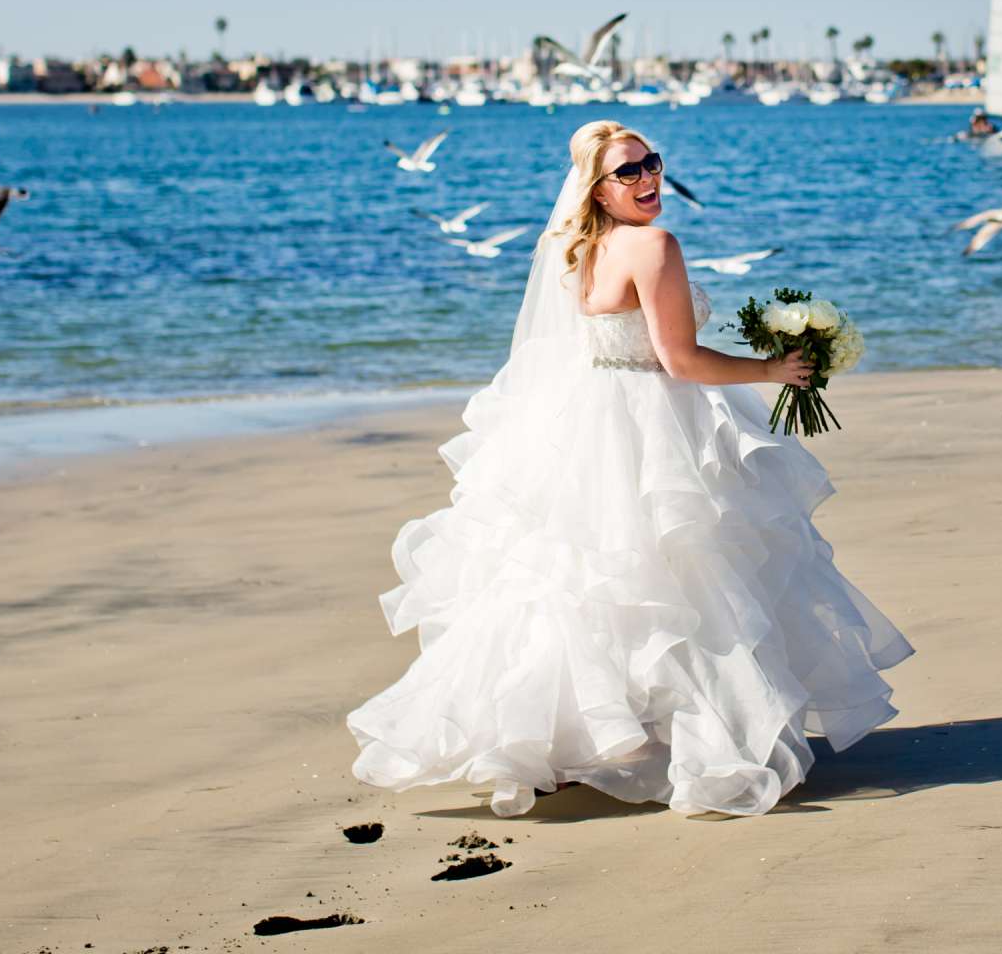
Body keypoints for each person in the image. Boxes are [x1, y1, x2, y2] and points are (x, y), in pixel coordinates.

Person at [346, 119, 912, 818]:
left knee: (586, 579)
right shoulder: (654, 245)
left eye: (653, 164)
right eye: (628, 172)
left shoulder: (579, 247)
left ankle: (570, 739)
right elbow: (681, 361)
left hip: (587, 419)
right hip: (651, 422)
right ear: (599, 188)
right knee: (682, 575)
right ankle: (701, 736)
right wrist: (776, 368)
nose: (648, 181)